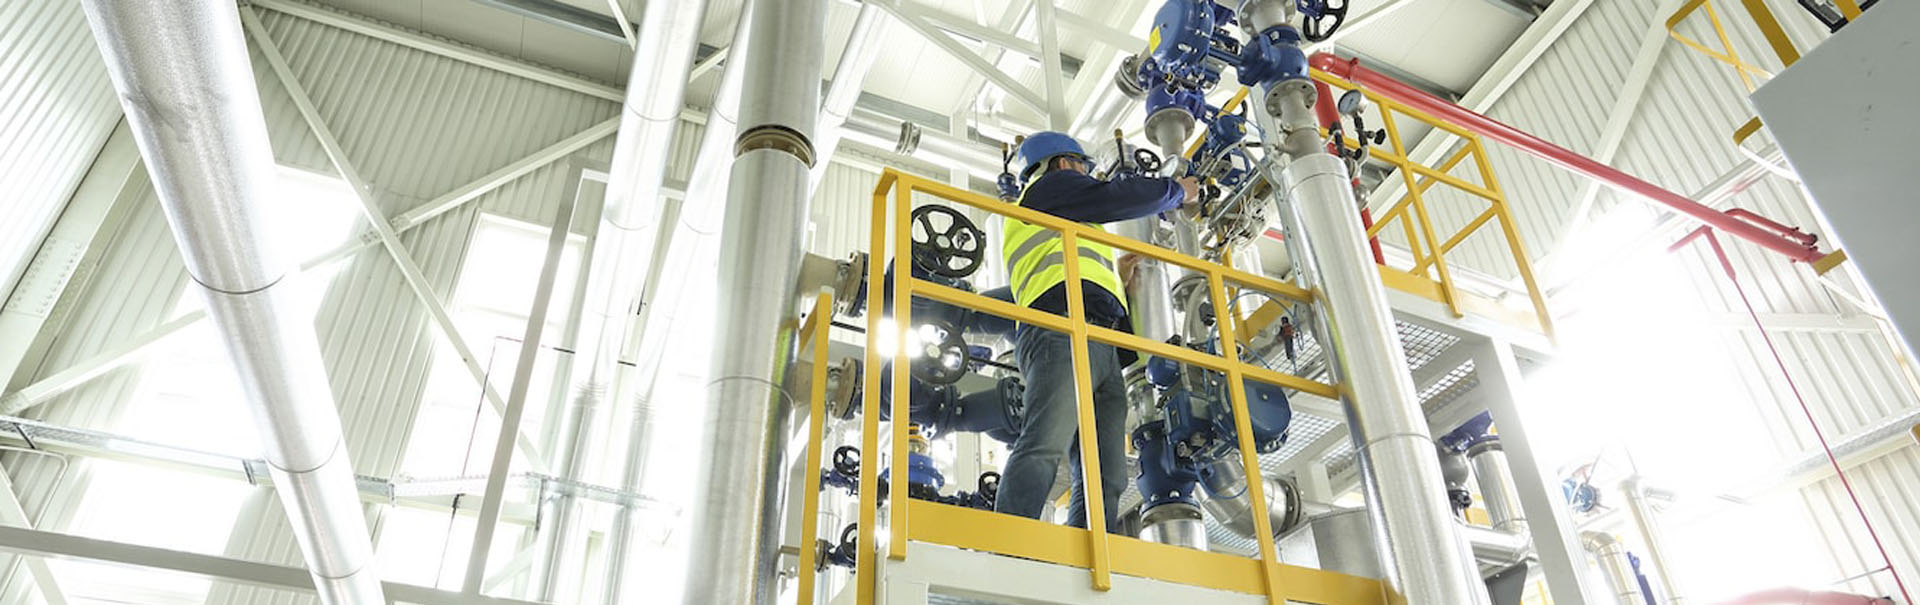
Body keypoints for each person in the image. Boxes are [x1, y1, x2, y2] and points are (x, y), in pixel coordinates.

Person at [994, 132, 1199, 530]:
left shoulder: (1067, 214)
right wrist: (1176, 191)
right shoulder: (1046, 190)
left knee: (1106, 472)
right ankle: (1007, 547)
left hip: (1099, 338)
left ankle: (1089, 552)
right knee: (1044, 443)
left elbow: (1072, 265)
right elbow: (1115, 196)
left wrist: (1115, 281)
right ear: (1062, 163)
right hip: (1060, 330)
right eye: (1083, 167)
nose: (1088, 176)